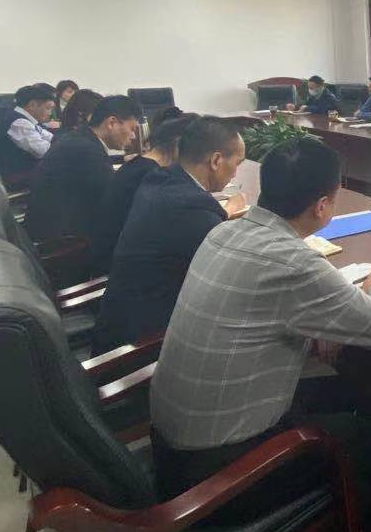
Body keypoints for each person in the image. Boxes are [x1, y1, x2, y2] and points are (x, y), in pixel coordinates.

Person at [150, 138, 371, 532]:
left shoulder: (223, 231)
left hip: (169, 448)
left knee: (348, 391)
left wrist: (317, 324)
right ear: (323, 206)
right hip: (218, 478)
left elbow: (259, 312)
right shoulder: (295, 263)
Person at [92, 116, 248, 353]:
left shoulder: (159, 180)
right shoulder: (194, 211)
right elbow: (235, 278)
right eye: (237, 163)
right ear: (216, 160)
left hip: (117, 324)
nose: (235, 174)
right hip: (142, 348)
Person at [24, 94, 143, 255]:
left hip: (53, 231)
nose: (133, 136)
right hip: (64, 247)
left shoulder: (80, 139)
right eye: (132, 129)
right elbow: (116, 201)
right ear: (111, 123)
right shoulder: (86, 151)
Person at [90, 112, 200, 271]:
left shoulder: (137, 165)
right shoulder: (154, 176)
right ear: (179, 146)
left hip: (112, 257)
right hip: (120, 267)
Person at [0, 83, 57, 185]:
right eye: (48, 108)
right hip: (13, 174)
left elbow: (48, 136)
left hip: (16, 168)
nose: (50, 113)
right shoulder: (18, 122)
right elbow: (44, 152)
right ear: (32, 105)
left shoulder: (19, 115)